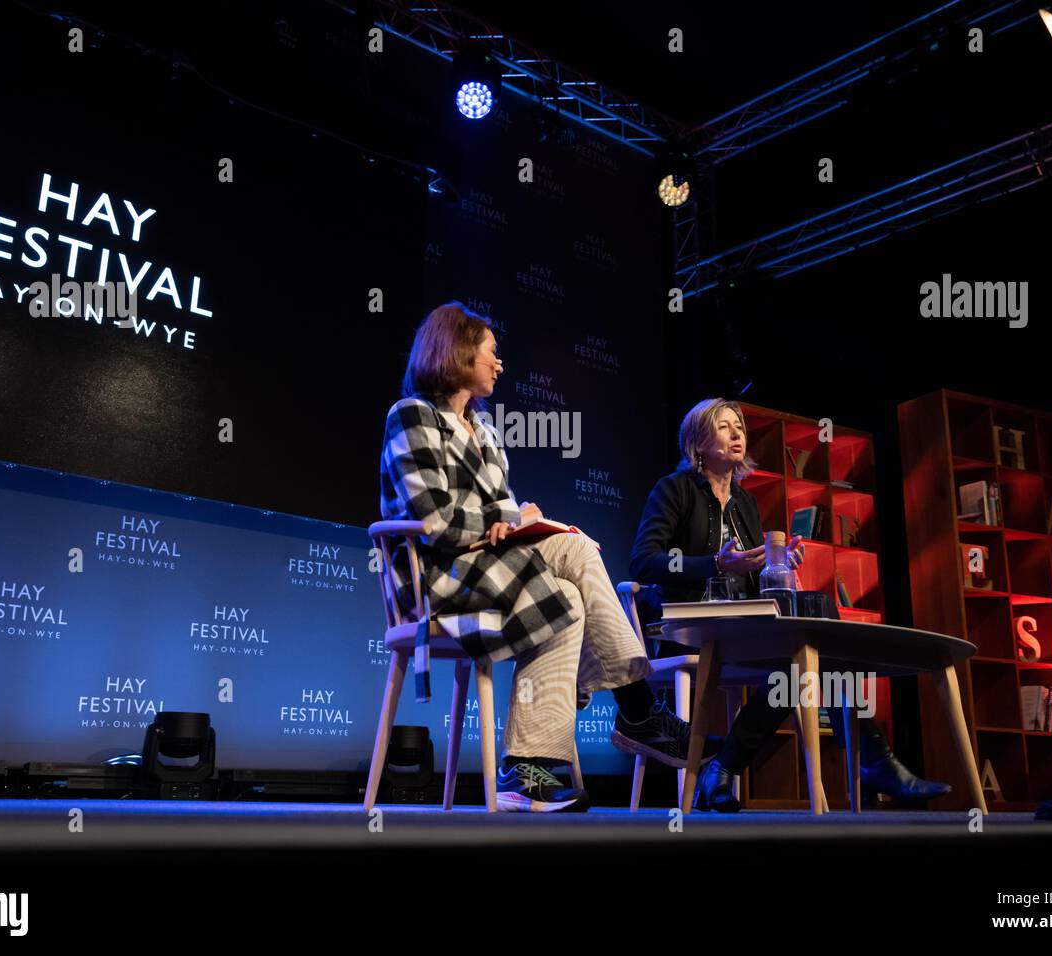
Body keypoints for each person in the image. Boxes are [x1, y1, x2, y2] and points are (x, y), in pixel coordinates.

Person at [380, 302, 712, 812]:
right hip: (439, 578)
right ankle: (638, 709)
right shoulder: (412, 417)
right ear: (459, 352)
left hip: (493, 569)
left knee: (568, 593)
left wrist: (520, 517)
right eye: (492, 353)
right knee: (568, 569)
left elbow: (497, 509)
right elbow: (432, 521)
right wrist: (505, 520)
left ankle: (528, 771)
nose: (499, 364)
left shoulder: (486, 431)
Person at [630, 397, 952, 811]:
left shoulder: (744, 501)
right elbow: (643, 560)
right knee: (806, 657)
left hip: (741, 626)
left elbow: (750, 576)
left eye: (740, 428)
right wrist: (713, 563)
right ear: (698, 441)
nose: (737, 434)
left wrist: (777, 565)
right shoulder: (673, 490)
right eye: (725, 427)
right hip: (688, 627)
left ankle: (730, 767)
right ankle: (874, 762)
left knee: (815, 639)